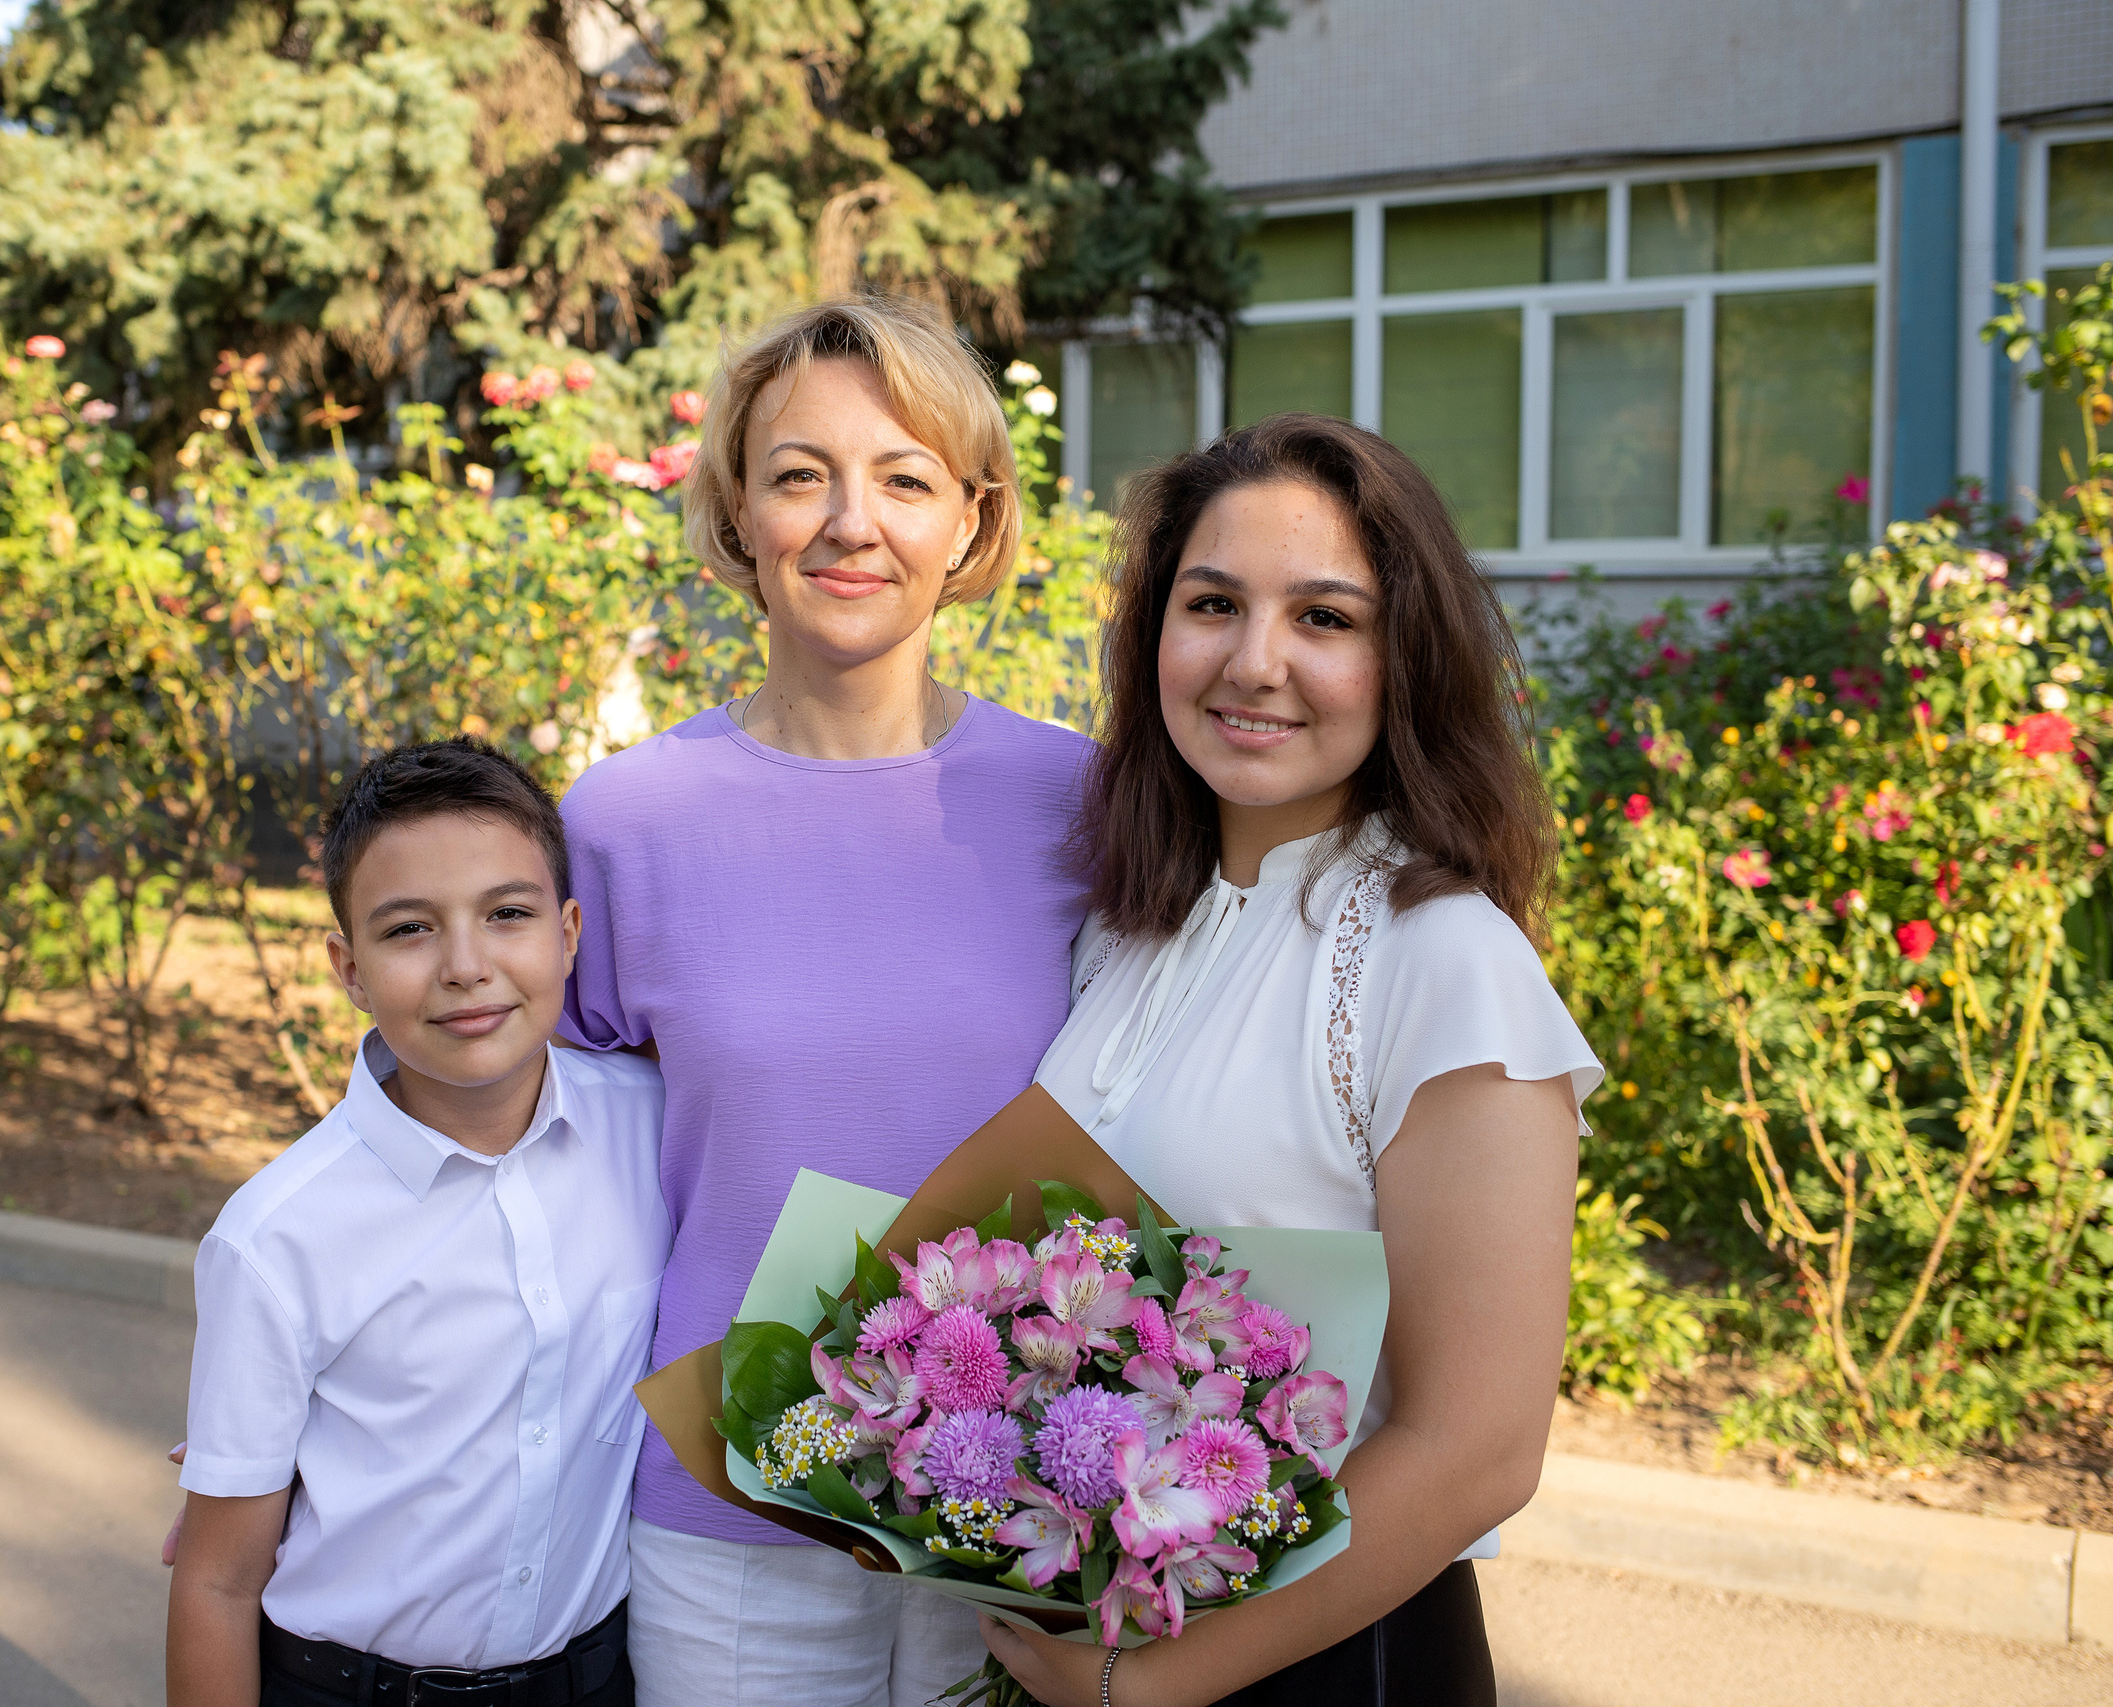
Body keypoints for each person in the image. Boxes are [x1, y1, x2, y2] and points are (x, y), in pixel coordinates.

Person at [983, 415, 1601, 1706]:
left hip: (1320, 1657)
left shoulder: (1445, 955)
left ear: (1405, 657)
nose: (1253, 662)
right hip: (1102, 1636)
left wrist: (1156, 1680)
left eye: (1325, 617)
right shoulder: (1125, 928)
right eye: (1213, 603)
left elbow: (1476, 1446)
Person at [556, 296, 1095, 1703]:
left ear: (971, 524)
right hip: (736, 1518)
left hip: (1019, 1504)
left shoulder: (1085, 804)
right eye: (802, 474)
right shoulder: (622, 825)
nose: (852, 521)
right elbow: (527, 1169)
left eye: (905, 479)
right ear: (740, 513)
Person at [165, 739, 667, 1707]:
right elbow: (217, 1578)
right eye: (409, 931)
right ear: (347, 967)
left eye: (507, 915)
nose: (466, 967)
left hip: (593, 1680)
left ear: (568, 932)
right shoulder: (276, 1235)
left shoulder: (654, 1126)